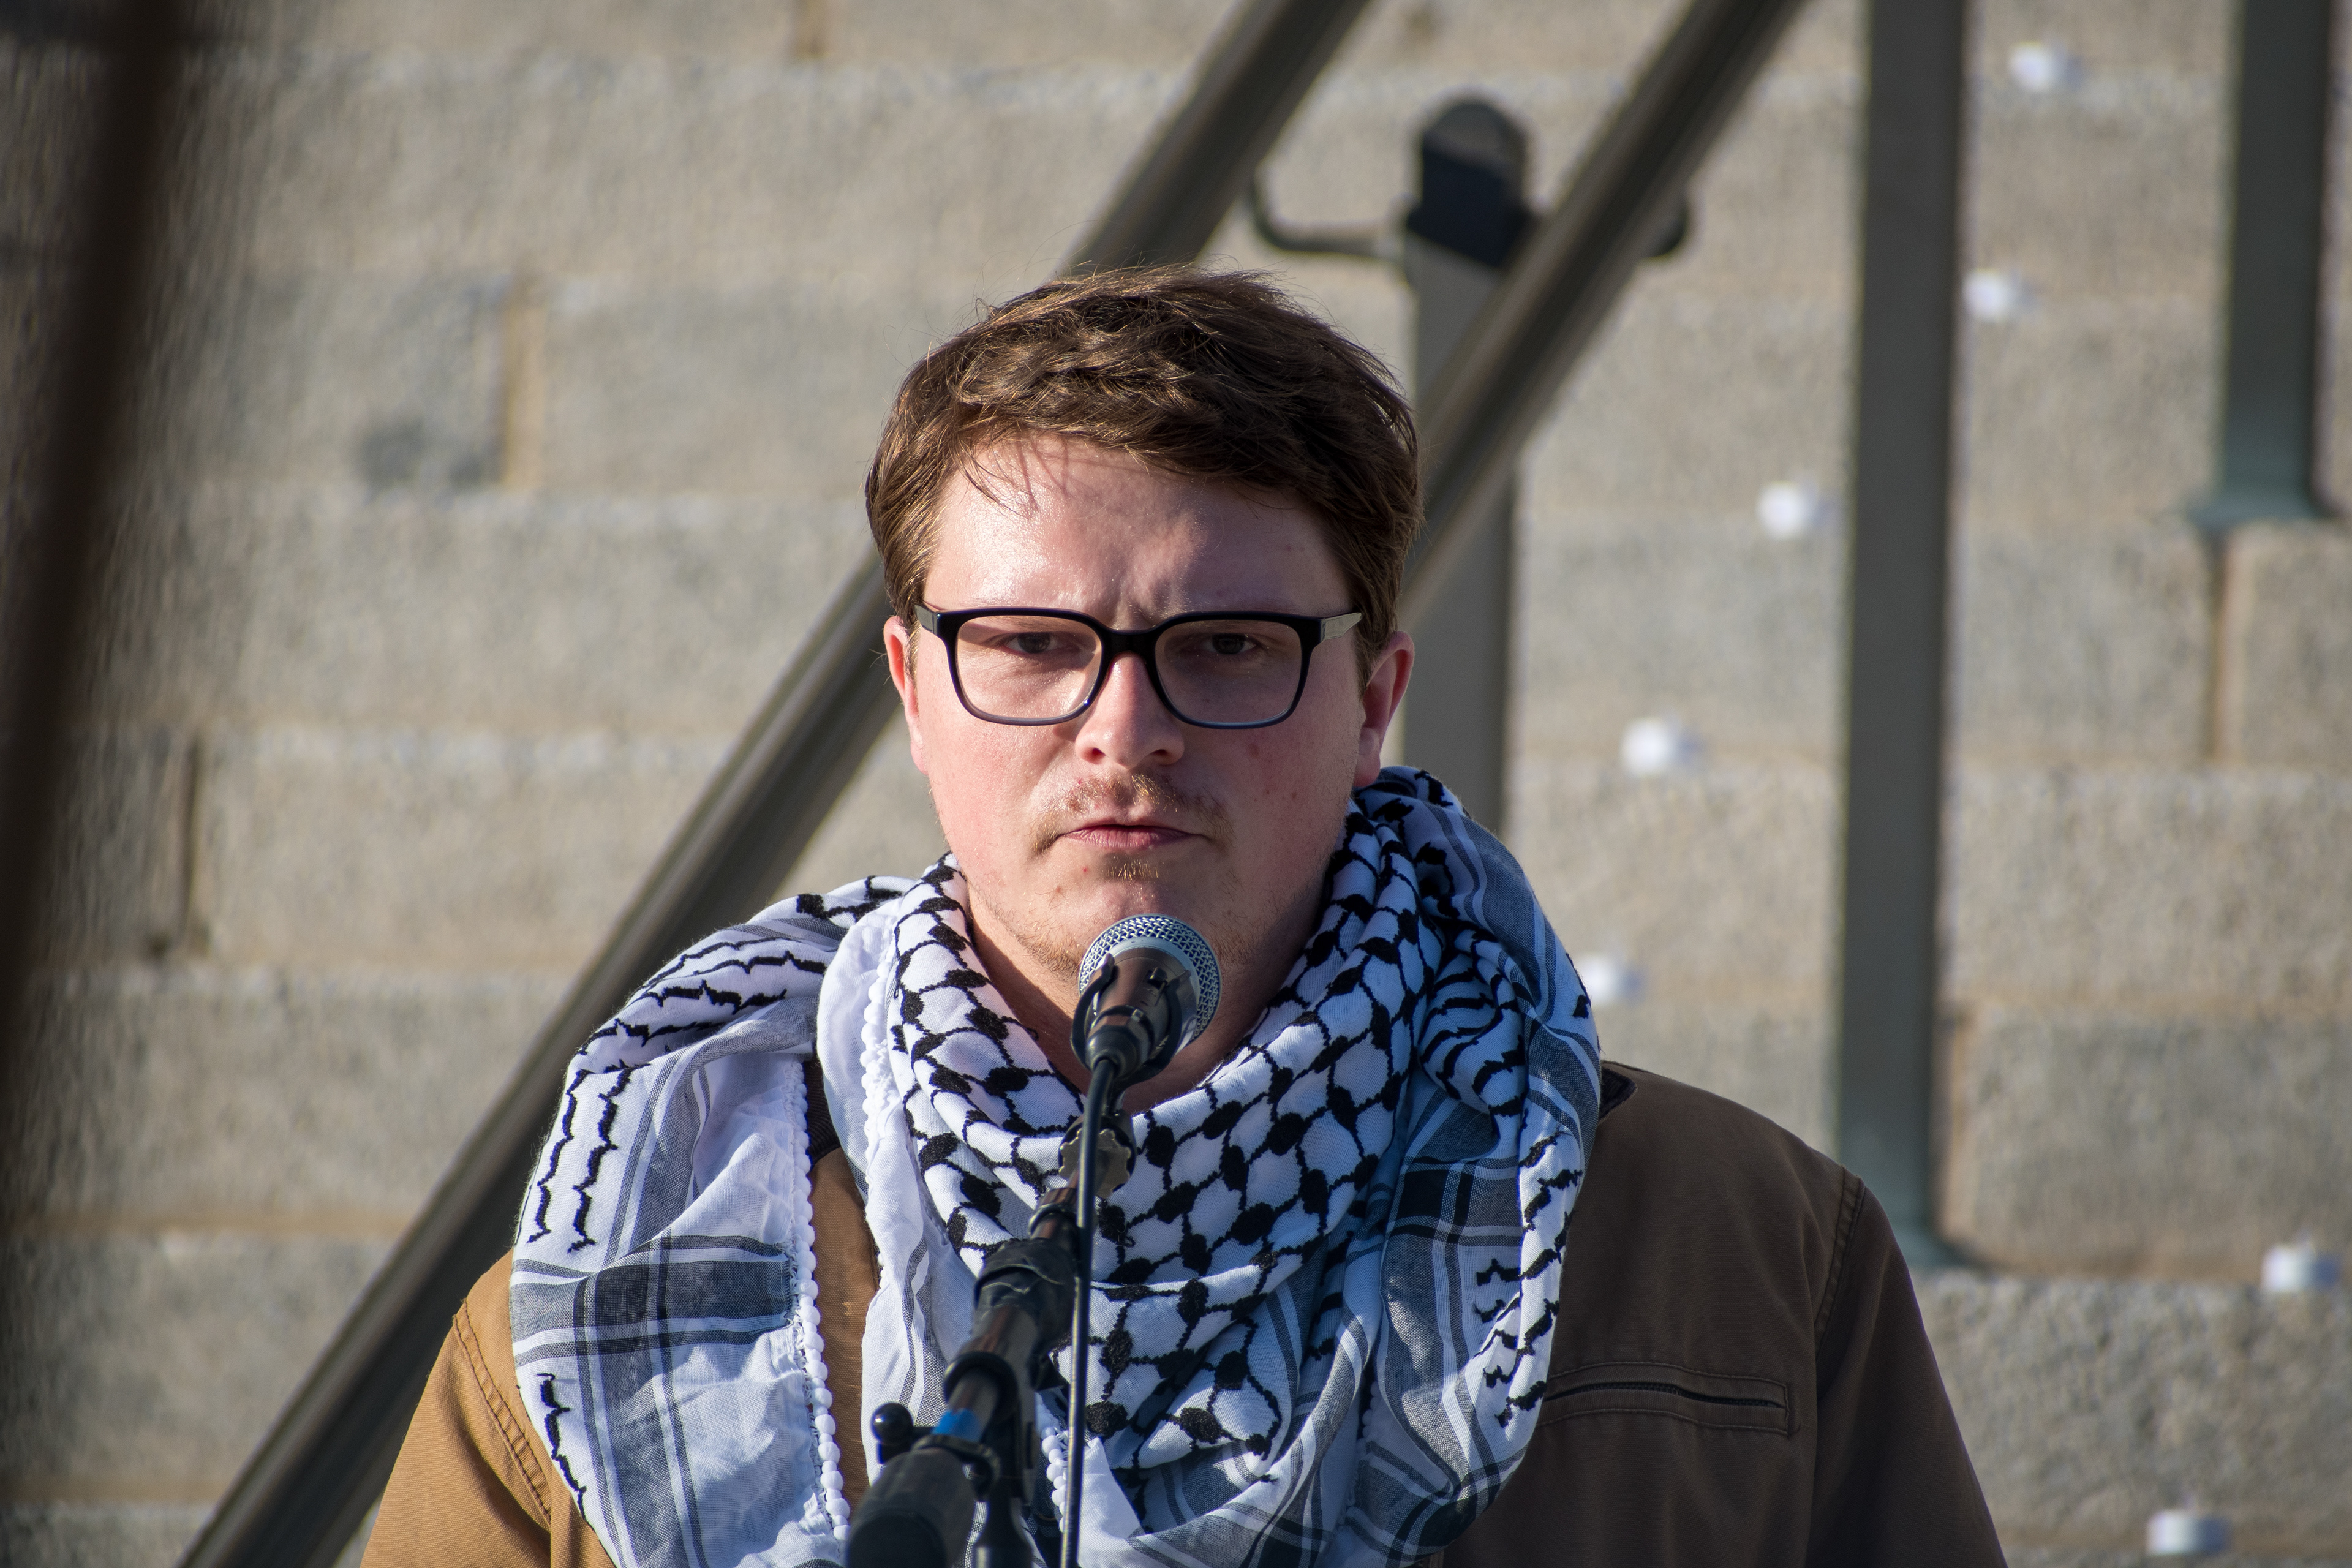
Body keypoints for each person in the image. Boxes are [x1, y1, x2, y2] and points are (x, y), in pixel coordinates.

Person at [367, 268, 2005, 1567]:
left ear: (1374, 699)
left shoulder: (1742, 1250)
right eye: (1026, 643)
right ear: (913, 692)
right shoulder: (611, 1291)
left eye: (1225, 646)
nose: (1122, 733)